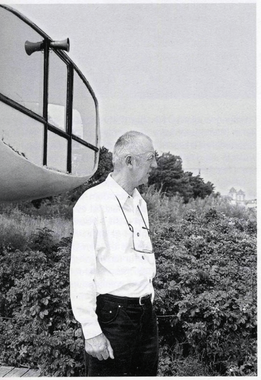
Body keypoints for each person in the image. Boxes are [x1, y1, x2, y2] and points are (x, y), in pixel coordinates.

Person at [70, 131, 159, 376]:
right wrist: (91, 331)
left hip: (145, 314)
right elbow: (81, 271)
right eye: (150, 157)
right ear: (129, 161)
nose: (155, 164)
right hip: (114, 316)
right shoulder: (93, 202)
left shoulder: (139, 203)